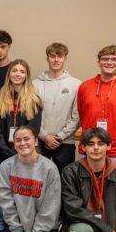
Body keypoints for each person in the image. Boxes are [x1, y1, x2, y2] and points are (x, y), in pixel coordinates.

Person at [0, 125, 61, 232]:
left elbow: (51, 206)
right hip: (18, 225)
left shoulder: (49, 168)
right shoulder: (6, 166)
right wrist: (16, 229)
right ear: (14, 144)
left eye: (27, 139)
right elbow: (6, 201)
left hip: (43, 229)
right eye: (18, 140)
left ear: (36, 141)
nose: (23, 143)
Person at [33, 43, 81, 173]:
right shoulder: (34, 84)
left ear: (65, 58)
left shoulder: (76, 84)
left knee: (65, 182)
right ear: (47, 58)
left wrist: (60, 136)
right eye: (52, 56)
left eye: (60, 56)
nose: (56, 60)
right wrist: (44, 136)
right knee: (39, 181)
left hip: (65, 142)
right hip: (40, 141)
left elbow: (77, 116)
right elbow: (31, 114)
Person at [0, 59, 43, 163]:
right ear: (9, 74)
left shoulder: (34, 101)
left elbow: (33, 130)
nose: (18, 74)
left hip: (26, 153)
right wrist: (6, 152)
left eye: (22, 72)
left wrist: (17, 152)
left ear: (26, 76)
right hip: (0, 154)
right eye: (14, 71)